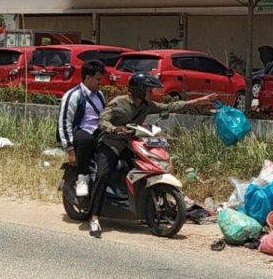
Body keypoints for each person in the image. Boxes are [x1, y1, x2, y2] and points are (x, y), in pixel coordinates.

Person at [88, 72, 216, 238]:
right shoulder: (119, 102)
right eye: (149, 90)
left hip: (130, 144)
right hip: (111, 143)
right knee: (103, 175)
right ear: (139, 90)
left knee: (145, 169)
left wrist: (198, 101)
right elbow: (102, 120)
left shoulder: (146, 105)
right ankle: (95, 218)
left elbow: (170, 107)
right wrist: (114, 129)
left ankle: (141, 207)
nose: (152, 93)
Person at [57, 60, 107, 198]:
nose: (100, 82)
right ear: (88, 78)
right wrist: (70, 150)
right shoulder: (73, 95)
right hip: (80, 133)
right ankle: (82, 179)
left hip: (99, 132)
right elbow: (64, 123)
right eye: (98, 79)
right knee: (86, 139)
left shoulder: (100, 95)